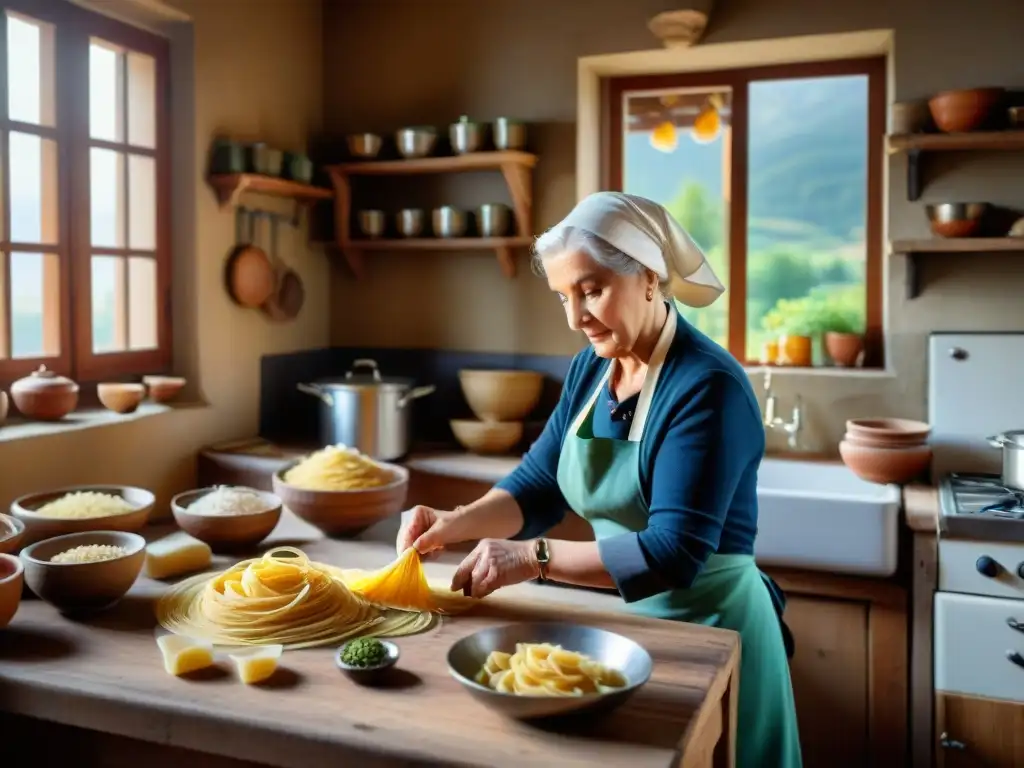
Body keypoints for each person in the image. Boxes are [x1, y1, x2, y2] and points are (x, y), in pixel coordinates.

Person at [397, 191, 802, 768]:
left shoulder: (706, 386)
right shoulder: (592, 368)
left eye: (591, 290)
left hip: (712, 633)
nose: (575, 317)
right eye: (564, 296)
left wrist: (532, 558)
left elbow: (673, 552)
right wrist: (452, 525)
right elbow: (539, 484)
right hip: (618, 630)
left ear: (648, 279)